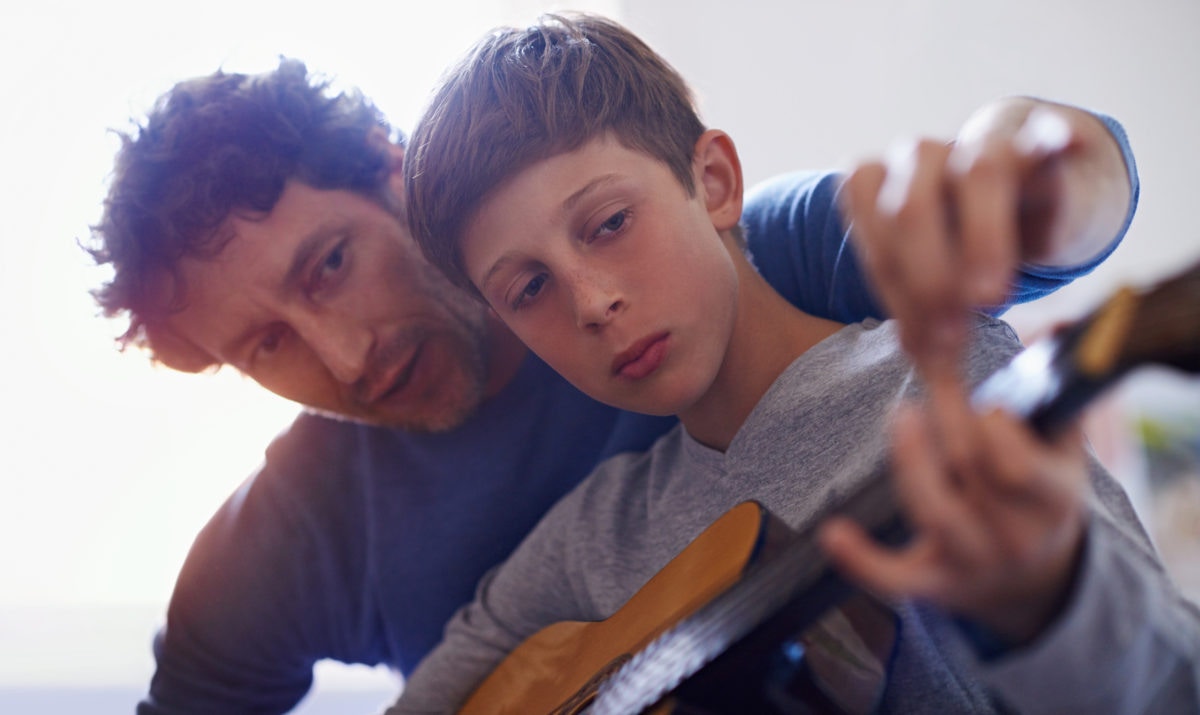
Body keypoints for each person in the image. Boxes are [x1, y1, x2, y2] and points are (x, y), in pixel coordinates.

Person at [87, 39, 1138, 715]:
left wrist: (1030, 162)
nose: (347, 354)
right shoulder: (280, 544)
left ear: (390, 173)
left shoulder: (746, 257)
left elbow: (1037, 210)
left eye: (330, 264)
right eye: (266, 346)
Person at [391, 13, 1197, 713]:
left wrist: (1061, 602)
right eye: (529, 286)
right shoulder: (593, 536)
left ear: (713, 183)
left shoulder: (942, 385)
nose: (591, 301)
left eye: (608, 223)